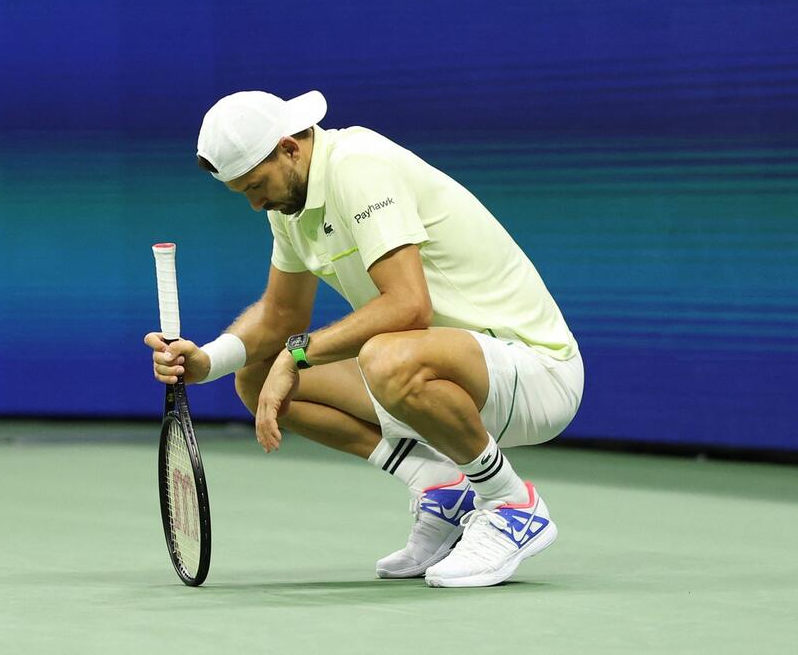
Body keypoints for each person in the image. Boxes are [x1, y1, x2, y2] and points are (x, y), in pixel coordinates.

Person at [144, 90, 583, 588]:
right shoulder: (290, 204)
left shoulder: (359, 167)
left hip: (534, 372)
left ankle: (511, 504)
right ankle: (440, 487)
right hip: (453, 374)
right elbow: (280, 313)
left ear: (289, 148)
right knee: (257, 375)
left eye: (255, 185)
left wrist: (298, 354)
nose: (254, 202)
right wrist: (206, 361)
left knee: (383, 355)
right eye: (241, 191)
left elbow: (408, 304)